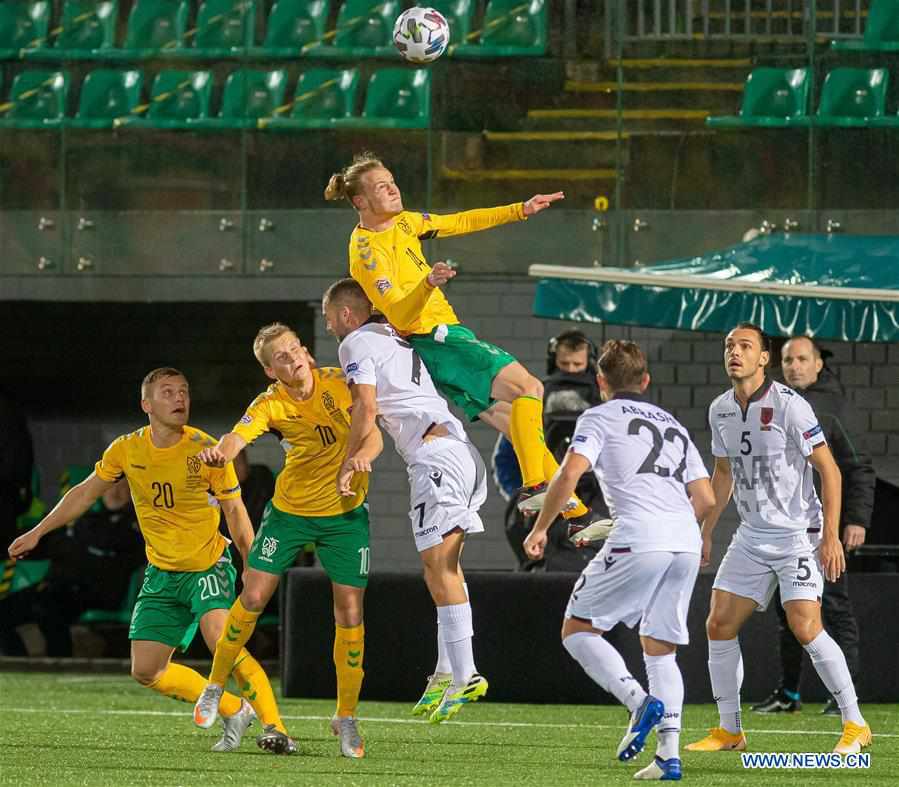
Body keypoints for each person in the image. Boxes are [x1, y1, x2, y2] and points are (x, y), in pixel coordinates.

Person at [8, 368, 287, 753]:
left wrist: (251, 564)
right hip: (162, 573)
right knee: (146, 670)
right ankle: (234, 709)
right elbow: (86, 493)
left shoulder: (206, 450)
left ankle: (275, 727)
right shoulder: (127, 449)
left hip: (207, 565)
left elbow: (236, 513)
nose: (179, 399)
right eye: (168, 392)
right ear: (146, 405)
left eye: (184, 392)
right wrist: (38, 531)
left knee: (224, 643)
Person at [325, 152, 603, 538]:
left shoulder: (404, 223)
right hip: (439, 338)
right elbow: (402, 317)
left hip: (442, 345)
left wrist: (519, 210)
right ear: (360, 201)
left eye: (392, 180)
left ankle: (577, 515)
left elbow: (460, 221)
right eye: (381, 186)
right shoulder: (367, 251)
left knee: (517, 425)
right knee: (530, 388)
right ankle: (536, 487)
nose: (393, 188)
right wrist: (427, 284)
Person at [523, 340, 715, 781]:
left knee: (577, 628)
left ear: (601, 382)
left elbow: (569, 473)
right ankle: (669, 756)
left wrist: (539, 529)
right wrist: (682, 530)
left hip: (640, 534)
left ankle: (636, 700)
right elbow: (704, 498)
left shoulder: (598, 415)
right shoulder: (674, 424)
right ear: (645, 381)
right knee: (660, 647)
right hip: (684, 537)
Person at [192, 323, 381, 759]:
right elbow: (237, 435)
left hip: (345, 517)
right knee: (254, 595)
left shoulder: (342, 382)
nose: (293, 358)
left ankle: (346, 716)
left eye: (296, 349)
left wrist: (358, 461)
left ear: (306, 352)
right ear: (269, 370)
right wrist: (222, 452)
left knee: (350, 610)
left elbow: (375, 435)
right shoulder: (270, 403)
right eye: (281, 356)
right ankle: (216, 683)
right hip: (290, 514)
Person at [686, 324, 872, 756]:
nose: (734, 352)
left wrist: (830, 537)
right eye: (729, 346)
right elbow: (724, 474)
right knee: (718, 624)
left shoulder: (792, 406)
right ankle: (730, 730)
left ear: (764, 358)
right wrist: (707, 531)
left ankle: (856, 724)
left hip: (797, 536)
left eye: (745, 346)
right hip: (751, 536)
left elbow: (831, 470)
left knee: (806, 626)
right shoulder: (720, 409)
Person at [323, 278, 488, 724]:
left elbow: (365, 407)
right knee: (444, 569)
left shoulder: (355, 341)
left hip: (435, 458)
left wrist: (348, 460)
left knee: (440, 568)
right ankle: (446, 671)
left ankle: (467, 673)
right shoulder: (391, 335)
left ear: (345, 314)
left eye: (328, 317)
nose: (329, 326)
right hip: (460, 453)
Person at [752, 335, 875, 715]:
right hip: (785, 531)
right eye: (788, 360)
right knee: (787, 612)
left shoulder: (834, 407)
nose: (794, 366)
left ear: (818, 364)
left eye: (803, 359)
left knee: (835, 609)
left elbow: (859, 468)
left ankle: (845, 696)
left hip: (825, 532)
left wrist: (855, 520)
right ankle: (788, 694)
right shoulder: (774, 403)